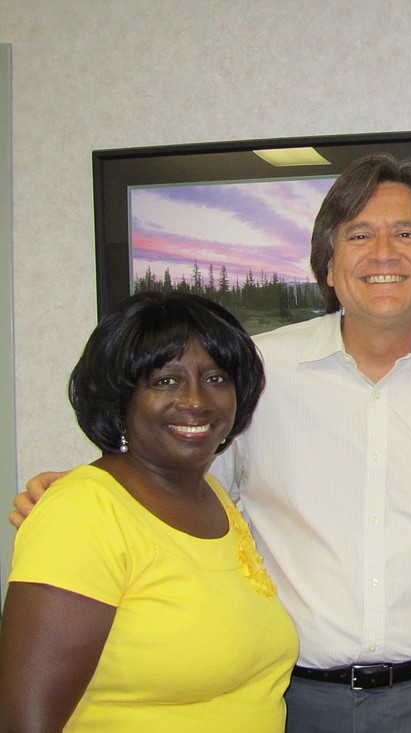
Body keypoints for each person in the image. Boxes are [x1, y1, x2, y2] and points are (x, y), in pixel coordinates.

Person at [13, 154, 411, 733]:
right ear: (328, 268)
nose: (384, 252)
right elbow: (179, 488)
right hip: (291, 702)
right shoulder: (255, 373)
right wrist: (86, 491)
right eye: (359, 234)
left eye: (407, 233)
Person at [0, 291, 297, 732]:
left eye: (215, 378)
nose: (196, 400)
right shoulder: (83, 513)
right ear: (120, 397)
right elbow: (26, 722)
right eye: (165, 381)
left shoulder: (212, 496)